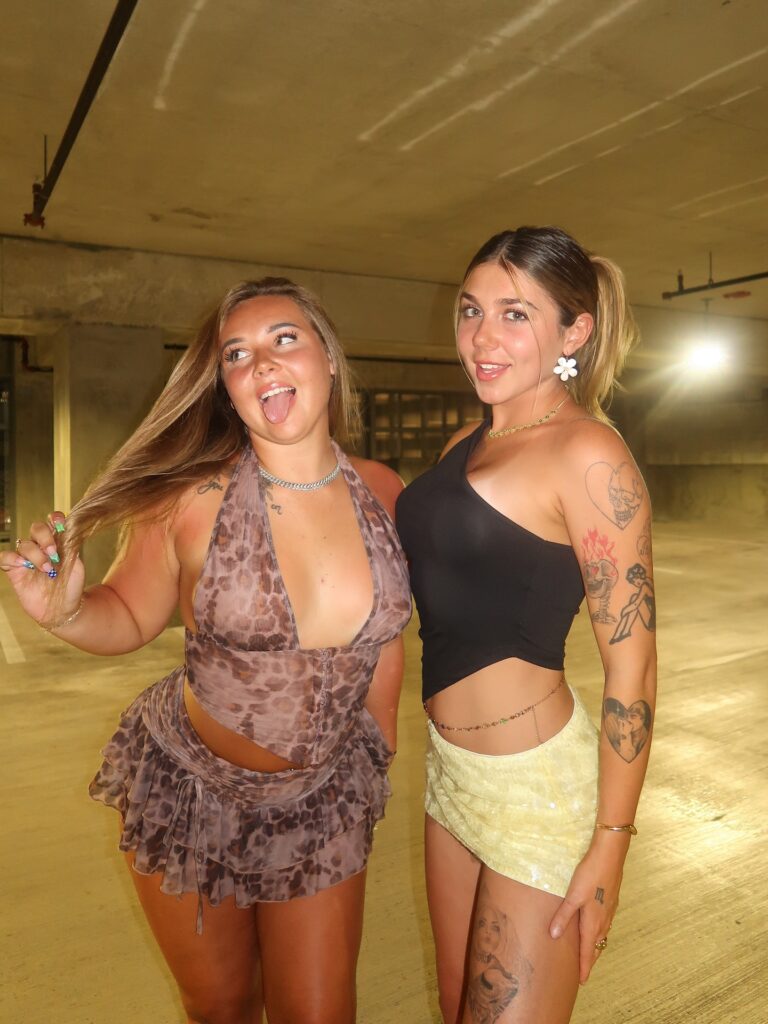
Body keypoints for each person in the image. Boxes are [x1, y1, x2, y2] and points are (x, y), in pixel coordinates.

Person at [1, 277, 412, 1024]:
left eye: (284, 339)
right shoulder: (189, 499)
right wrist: (66, 614)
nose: (262, 363)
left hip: (322, 801)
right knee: (222, 1007)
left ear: (327, 357)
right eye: (237, 355)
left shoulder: (383, 491)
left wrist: (377, 749)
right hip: (191, 792)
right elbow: (129, 614)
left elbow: (387, 633)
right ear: (225, 387)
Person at [396, 227, 657, 1023]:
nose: (482, 336)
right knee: (456, 1011)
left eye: (515, 314)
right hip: (451, 776)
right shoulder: (463, 444)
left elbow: (633, 666)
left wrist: (611, 840)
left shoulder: (588, 454)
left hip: (539, 788)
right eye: (471, 310)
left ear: (573, 333)